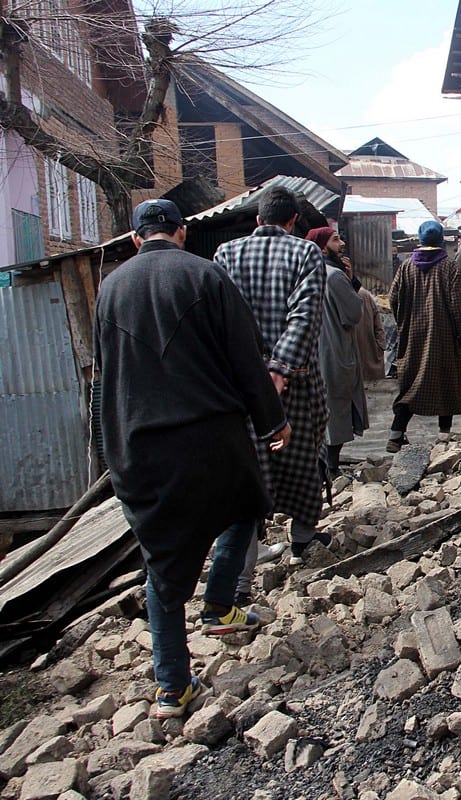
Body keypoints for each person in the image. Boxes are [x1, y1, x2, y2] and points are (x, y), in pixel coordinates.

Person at [96, 199, 289, 718]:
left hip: (139, 443)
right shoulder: (207, 276)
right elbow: (246, 358)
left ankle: (172, 687)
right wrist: (274, 419)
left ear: (137, 239)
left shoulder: (110, 288)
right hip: (209, 434)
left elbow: (107, 375)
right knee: (247, 503)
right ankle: (222, 601)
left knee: (162, 565)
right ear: (181, 232)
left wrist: (109, 446)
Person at [214, 187, 330, 564]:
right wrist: (279, 371)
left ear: (258, 220)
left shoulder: (226, 254)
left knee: (248, 467)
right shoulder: (306, 252)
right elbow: (304, 317)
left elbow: (221, 323)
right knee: (300, 457)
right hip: (293, 380)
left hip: (241, 385)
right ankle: (302, 539)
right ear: (293, 221)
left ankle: (241, 568)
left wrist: (249, 372)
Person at [388, 221, 461, 450]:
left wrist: (404, 324)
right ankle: (443, 437)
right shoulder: (449, 267)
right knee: (446, 383)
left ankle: (396, 434)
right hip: (444, 338)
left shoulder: (406, 267)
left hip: (414, 337)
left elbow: (393, 299)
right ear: (440, 241)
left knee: (412, 384)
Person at [306, 227, 364, 478]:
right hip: (335, 350)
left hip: (314, 350)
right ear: (321, 246)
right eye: (336, 239)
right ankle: (331, 468)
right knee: (337, 408)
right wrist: (350, 281)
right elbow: (353, 313)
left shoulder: (307, 272)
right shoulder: (334, 277)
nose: (342, 244)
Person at [350, 263, 387, 381]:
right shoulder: (363, 294)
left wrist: (380, 346)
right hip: (363, 357)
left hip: (367, 355)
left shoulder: (363, 295)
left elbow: (378, 323)